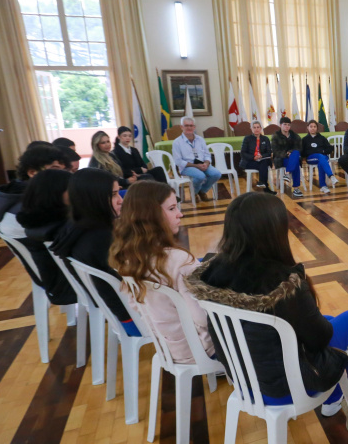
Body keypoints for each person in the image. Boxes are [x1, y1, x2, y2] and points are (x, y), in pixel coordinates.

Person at [185, 193, 348, 427]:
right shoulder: (283, 284)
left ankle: (334, 398)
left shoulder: (213, 271)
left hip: (244, 379)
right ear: (275, 231)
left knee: (329, 319)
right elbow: (321, 338)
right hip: (286, 387)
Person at [110, 181, 214, 364]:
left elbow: (135, 304)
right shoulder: (179, 261)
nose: (180, 214)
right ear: (151, 215)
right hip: (200, 349)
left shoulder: (128, 255)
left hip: (166, 346)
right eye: (172, 208)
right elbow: (204, 319)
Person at [51, 168, 139, 334]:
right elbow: (135, 279)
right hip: (134, 318)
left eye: (119, 193)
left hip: (115, 311)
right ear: (94, 199)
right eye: (113, 195)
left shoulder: (75, 226)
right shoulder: (100, 238)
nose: (121, 200)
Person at [13, 169, 76, 306]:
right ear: (55, 193)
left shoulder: (34, 220)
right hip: (71, 286)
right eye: (72, 189)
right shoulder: (61, 226)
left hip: (56, 283)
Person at [0, 144, 68, 222]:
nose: (63, 176)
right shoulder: (31, 203)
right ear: (33, 173)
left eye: (64, 171)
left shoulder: (11, 193)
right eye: (55, 170)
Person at [171, 116, 222, 202]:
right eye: (186, 125)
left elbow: (207, 155)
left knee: (216, 174)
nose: (189, 128)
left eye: (191, 126)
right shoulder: (177, 142)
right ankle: (194, 192)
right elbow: (178, 161)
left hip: (202, 164)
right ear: (181, 127)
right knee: (200, 176)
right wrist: (196, 166)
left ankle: (201, 191)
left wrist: (206, 163)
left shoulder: (200, 139)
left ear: (194, 127)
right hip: (187, 167)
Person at [301, 120, 338, 194]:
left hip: (322, 157)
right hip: (311, 158)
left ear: (317, 128)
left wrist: (323, 152)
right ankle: (331, 176)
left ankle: (323, 186)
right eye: (311, 126)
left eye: (314, 127)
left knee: (321, 161)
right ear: (308, 128)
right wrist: (317, 152)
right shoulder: (304, 139)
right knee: (320, 157)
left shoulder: (322, 138)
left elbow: (330, 148)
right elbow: (303, 152)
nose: (313, 128)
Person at [271, 117, 304, 198]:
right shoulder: (275, 136)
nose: (287, 126)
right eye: (285, 124)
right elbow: (275, 151)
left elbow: (299, 148)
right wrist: (286, 154)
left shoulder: (295, 135)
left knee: (296, 153)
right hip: (281, 158)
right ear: (280, 125)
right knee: (295, 163)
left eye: (289, 125)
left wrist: (291, 152)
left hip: (293, 156)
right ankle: (296, 188)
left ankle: (287, 172)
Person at [239, 120, 275, 195]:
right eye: (254, 127)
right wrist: (253, 157)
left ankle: (262, 182)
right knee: (264, 165)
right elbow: (243, 153)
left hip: (262, 159)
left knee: (263, 162)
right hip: (250, 161)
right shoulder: (247, 138)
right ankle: (266, 188)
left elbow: (269, 152)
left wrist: (261, 156)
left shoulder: (265, 139)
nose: (256, 129)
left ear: (261, 128)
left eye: (258, 127)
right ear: (251, 129)